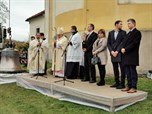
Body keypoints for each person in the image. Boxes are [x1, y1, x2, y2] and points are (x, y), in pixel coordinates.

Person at [121, 18, 142, 93]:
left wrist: (125, 49)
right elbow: (124, 42)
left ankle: (133, 87)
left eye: (129, 23)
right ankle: (129, 86)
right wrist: (122, 48)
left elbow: (134, 44)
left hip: (132, 55)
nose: (128, 25)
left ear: (134, 24)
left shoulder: (137, 33)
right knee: (128, 72)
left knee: (132, 71)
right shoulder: (128, 33)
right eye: (127, 23)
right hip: (126, 56)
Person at [107, 20, 126, 89]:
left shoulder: (123, 33)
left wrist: (117, 51)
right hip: (112, 53)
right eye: (120, 24)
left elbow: (123, 43)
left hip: (120, 53)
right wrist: (111, 51)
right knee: (115, 68)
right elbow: (108, 43)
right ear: (116, 25)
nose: (122, 25)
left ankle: (122, 83)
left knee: (122, 69)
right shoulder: (111, 33)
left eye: (121, 24)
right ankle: (117, 82)